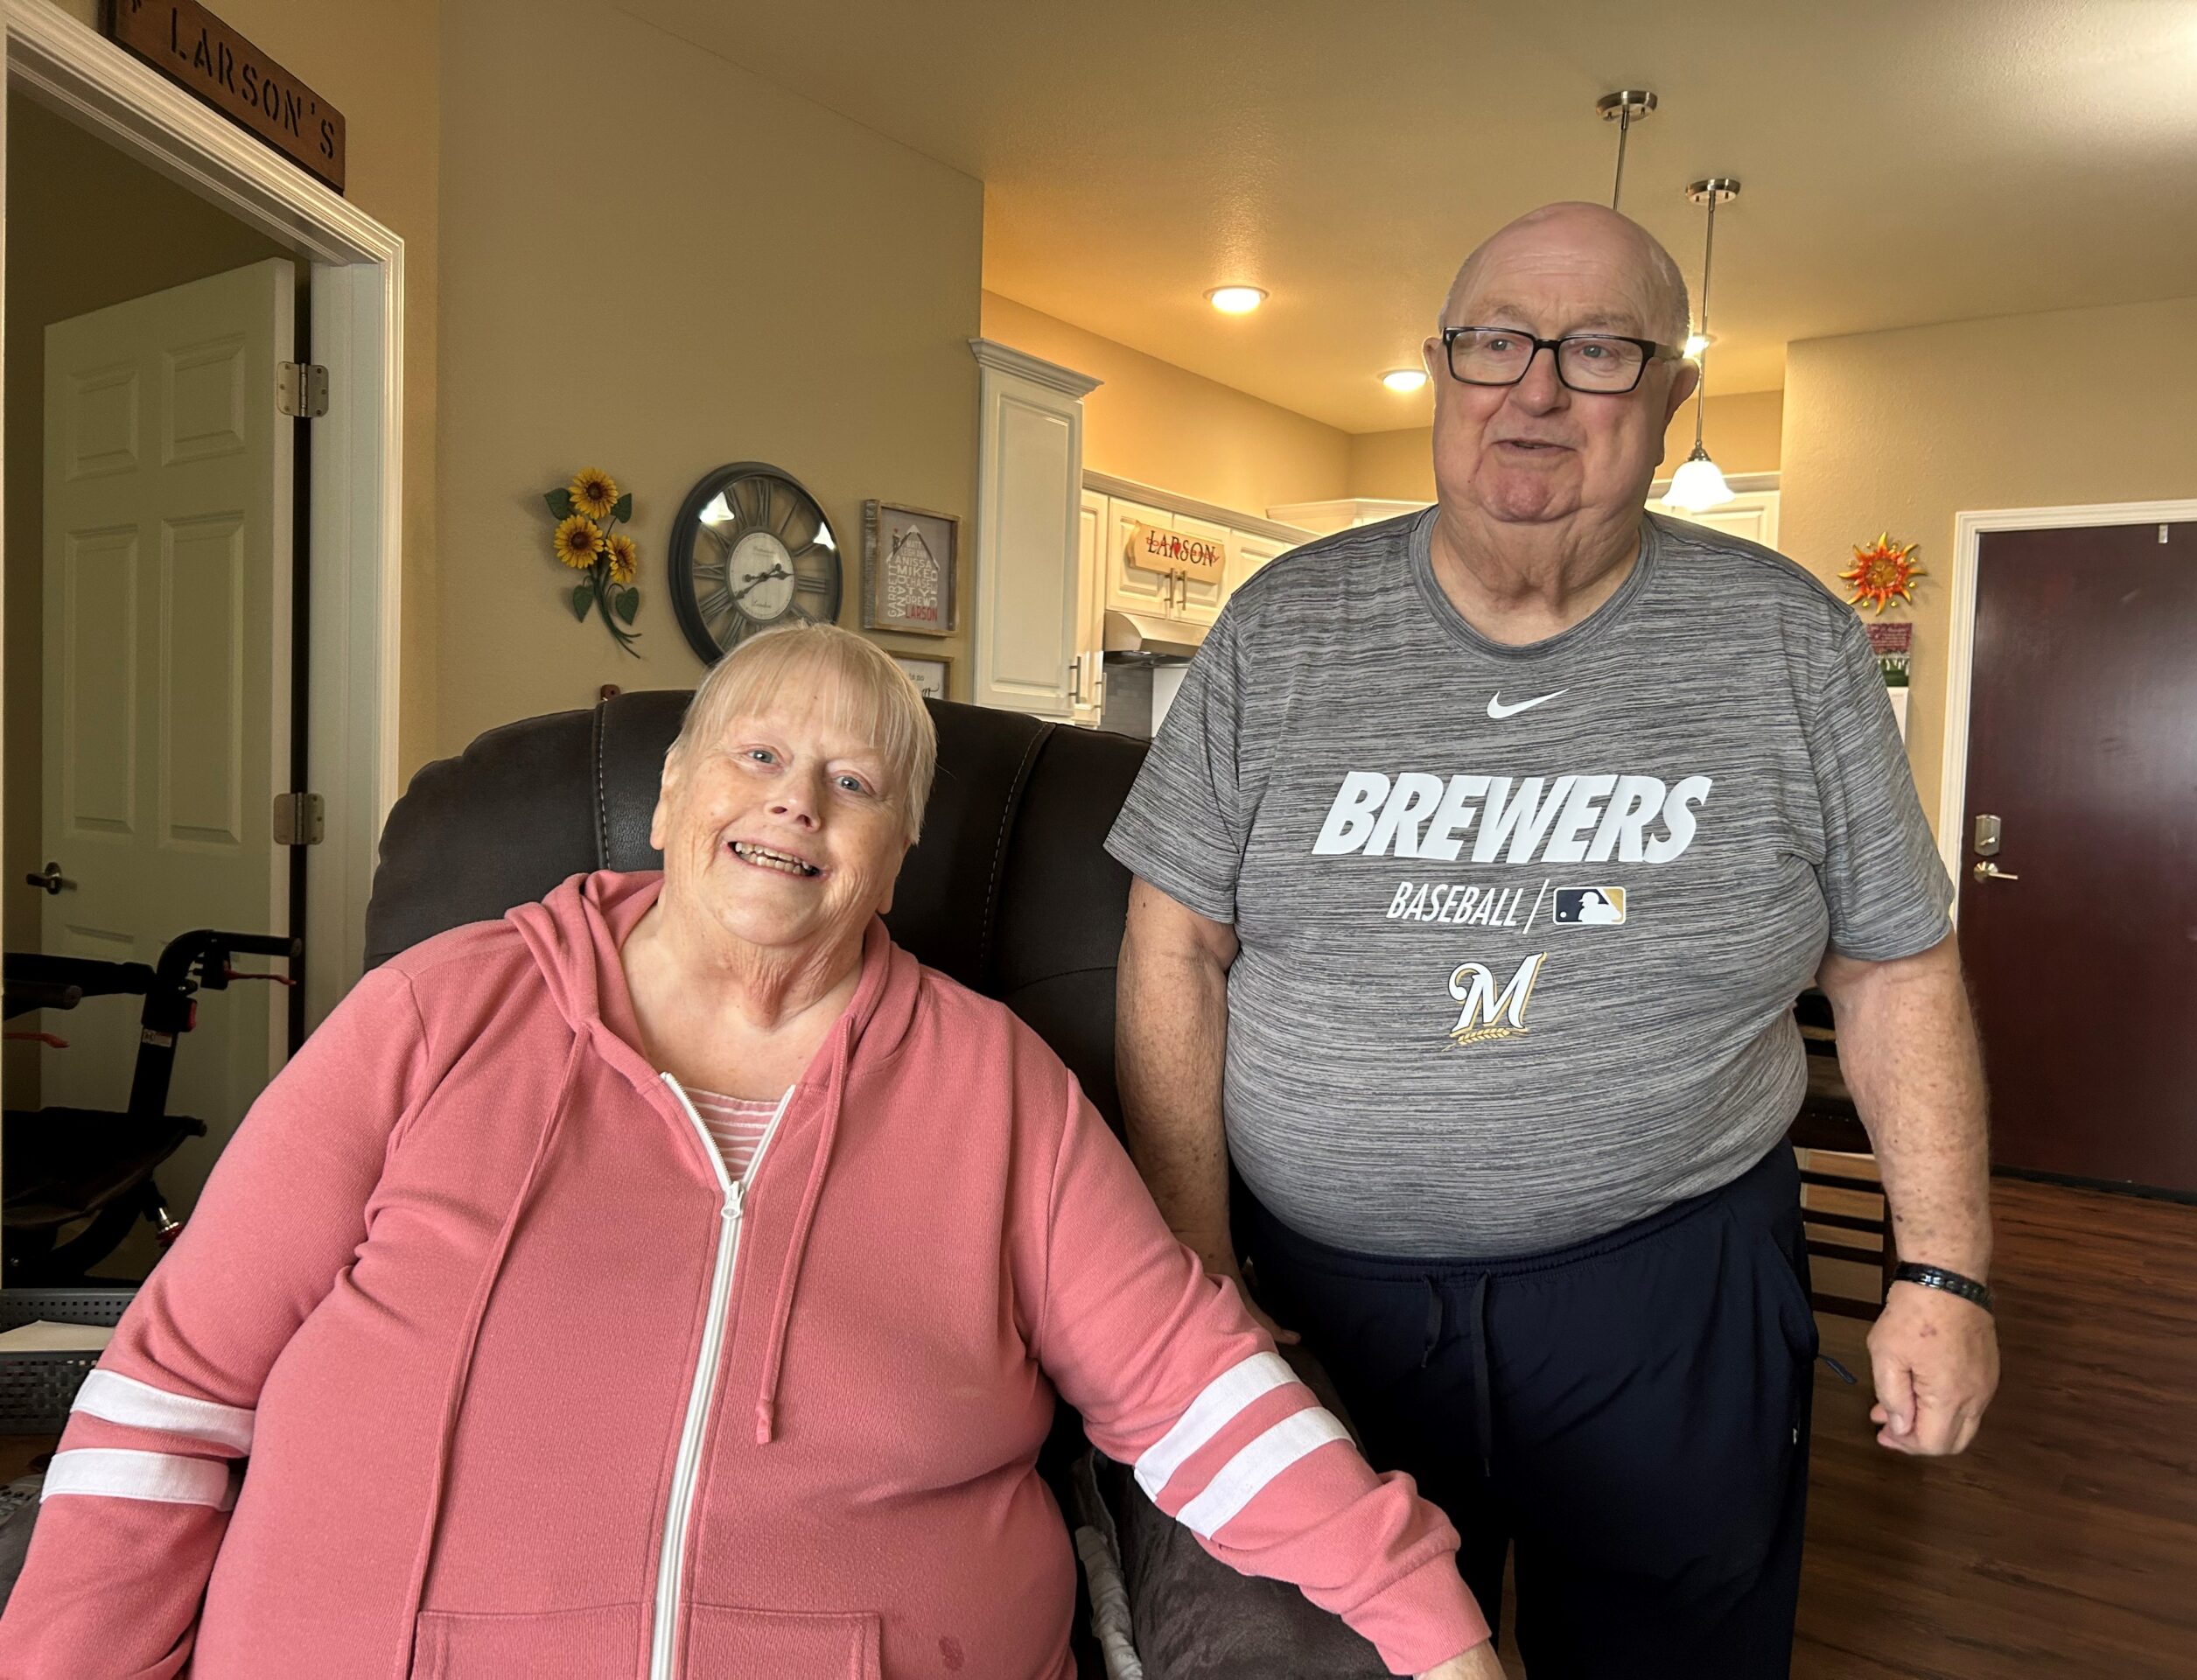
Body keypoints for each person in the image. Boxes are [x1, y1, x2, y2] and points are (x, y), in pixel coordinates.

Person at [0, 626, 1504, 1680]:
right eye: (759, 752)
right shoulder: (434, 1014)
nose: (798, 797)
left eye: (856, 782)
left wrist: (1438, 1628)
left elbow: (1192, 1388)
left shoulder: (997, 1088)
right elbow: (170, 1401)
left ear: (898, 849)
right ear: (669, 795)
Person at [1107, 202, 2000, 1677]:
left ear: (1666, 400)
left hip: (1672, 1299)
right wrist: (1197, 1269)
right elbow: (1171, 950)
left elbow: (1895, 962)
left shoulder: (1789, 643)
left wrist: (1945, 1275)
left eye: (1596, 350)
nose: (1533, 388)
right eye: (1492, 343)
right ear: (1443, 373)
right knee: (1351, 1661)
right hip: (1316, 1299)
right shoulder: (1282, 630)